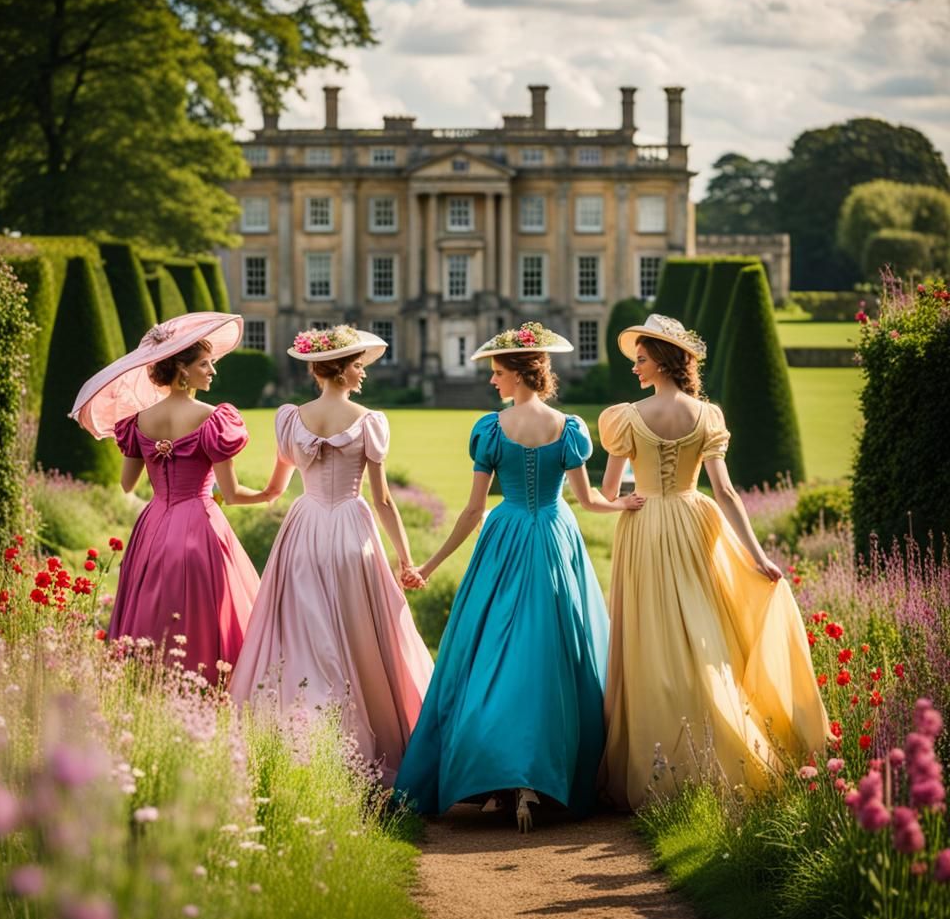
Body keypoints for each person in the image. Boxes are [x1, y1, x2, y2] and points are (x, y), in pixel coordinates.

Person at [394, 323, 645, 833]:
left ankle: (495, 777)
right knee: (554, 653)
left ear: (519, 373)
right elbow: (590, 499)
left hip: (505, 535)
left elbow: (470, 513)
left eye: (498, 373)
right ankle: (544, 775)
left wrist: (429, 565)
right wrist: (624, 503)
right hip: (555, 535)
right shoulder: (569, 427)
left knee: (487, 650)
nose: (492, 382)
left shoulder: (491, 428)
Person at [597, 314, 829, 810]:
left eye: (640, 358)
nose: (634, 367)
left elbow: (610, 492)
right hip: (695, 522)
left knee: (650, 635)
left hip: (644, 527)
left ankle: (657, 762)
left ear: (661, 361)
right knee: (704, 632)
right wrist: (759, 556)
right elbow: (724, 491)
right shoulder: (708, 416)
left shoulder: (624, 417)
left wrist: (626, 504)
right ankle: (721, 749)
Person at [229, 326, 433, 786]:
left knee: (301, 636)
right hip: (350, 532)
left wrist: (239, 496)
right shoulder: (368, 421)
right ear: (340, 369)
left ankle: (305, 740)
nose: (364, 374)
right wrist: (405, 560)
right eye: (359, 365)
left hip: (304, 529)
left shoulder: (289, 419)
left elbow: (276, 488)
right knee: (360, 635)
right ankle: (357, 743)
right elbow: (382, 500)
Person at [70, 312, 267, 677]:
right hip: (200, 526)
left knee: (154, 609)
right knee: (207, 613)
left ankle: (151, 679)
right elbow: (234, 493)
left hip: (154, 526)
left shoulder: (138, 420)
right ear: (181, 369)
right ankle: (209, 682)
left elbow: (127, 485)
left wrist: (156, 452)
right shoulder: (213, 419)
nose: (213, 371)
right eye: (205, 364)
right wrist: (270, 493)